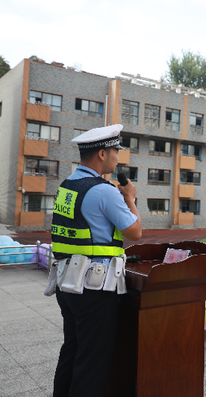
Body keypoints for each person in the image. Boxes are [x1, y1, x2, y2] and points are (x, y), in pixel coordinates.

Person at [51, 124, 142, 397]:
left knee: (73, 351)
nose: (118, 157)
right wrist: (130, 198)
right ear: (102, 153)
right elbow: (135, 232)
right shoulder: (105, 191)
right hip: (94, 288)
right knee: (93, 362)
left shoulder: (67, 186)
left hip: (67, 284)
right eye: (116, 151)